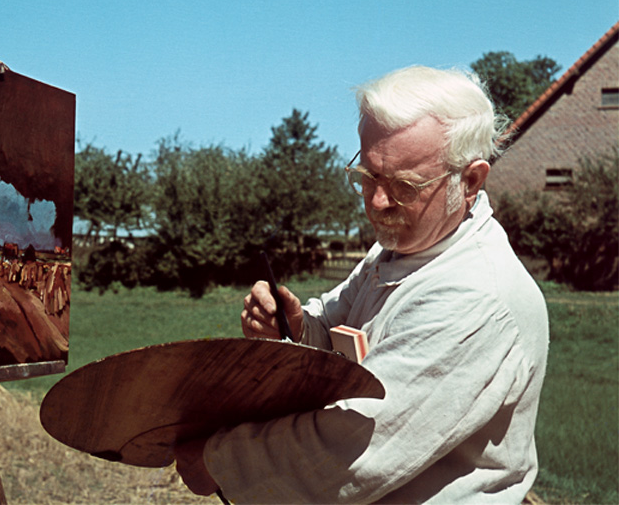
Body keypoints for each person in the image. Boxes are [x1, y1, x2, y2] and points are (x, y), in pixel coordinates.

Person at [174, 65, 549, 503]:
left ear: (469, 180)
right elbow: (339, 328)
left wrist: (219, 461)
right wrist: (294, 327)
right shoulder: (399, 252)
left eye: (405, 186)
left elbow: (356, 448)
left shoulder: (475, 295)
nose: (376, 203)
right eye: (368, 176)